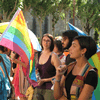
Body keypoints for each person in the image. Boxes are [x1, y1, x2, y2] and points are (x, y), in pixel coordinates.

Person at [54, 36, 98, 100]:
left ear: (83, 51)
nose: (69, 49)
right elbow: (57, 96)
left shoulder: (90, 73)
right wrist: (58, 77)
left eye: (74, 46)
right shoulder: (69, 68)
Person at [32, 33, 61, 100]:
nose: (46, 42)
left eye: (48, 40)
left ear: (51, 43)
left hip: (49, 89)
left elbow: (60, 74)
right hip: (38, 87)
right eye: (44, 40)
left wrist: (45, 80)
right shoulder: (39, 54)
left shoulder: (54, 56)